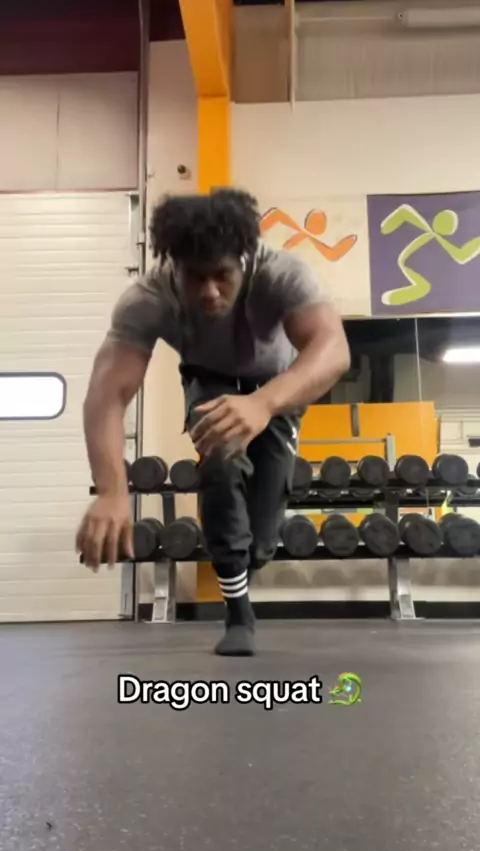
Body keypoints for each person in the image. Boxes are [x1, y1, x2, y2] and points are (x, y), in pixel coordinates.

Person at [76, 188, 350, 656]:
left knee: (261, 540)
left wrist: (264, 404)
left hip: (278, 389)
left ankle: (248, 561)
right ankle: (238, 613)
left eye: (222, 276)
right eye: (195, 278)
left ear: (243, 260)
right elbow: (107, 395)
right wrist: (111, 490)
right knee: (221, 460)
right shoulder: (148, 298)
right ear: (174, 266)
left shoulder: (280, 274)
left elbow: (333, 348)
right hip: (209, 383)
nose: (209, 291)